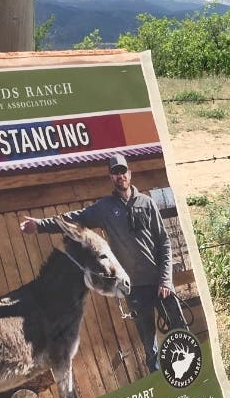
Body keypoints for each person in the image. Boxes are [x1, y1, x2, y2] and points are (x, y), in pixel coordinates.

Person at [20, 154, 183, 373]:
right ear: (111, 177)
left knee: (181, 333)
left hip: (160, 284)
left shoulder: (148, 203)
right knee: (149, 347)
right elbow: (73, 218)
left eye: (123, 171)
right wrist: (40, 225)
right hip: (135, 289)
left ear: (129, 173)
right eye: (115, 172)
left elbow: (164, 242)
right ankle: (160, 382)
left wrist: (165, 279)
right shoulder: (104, 208)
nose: (120, 175)